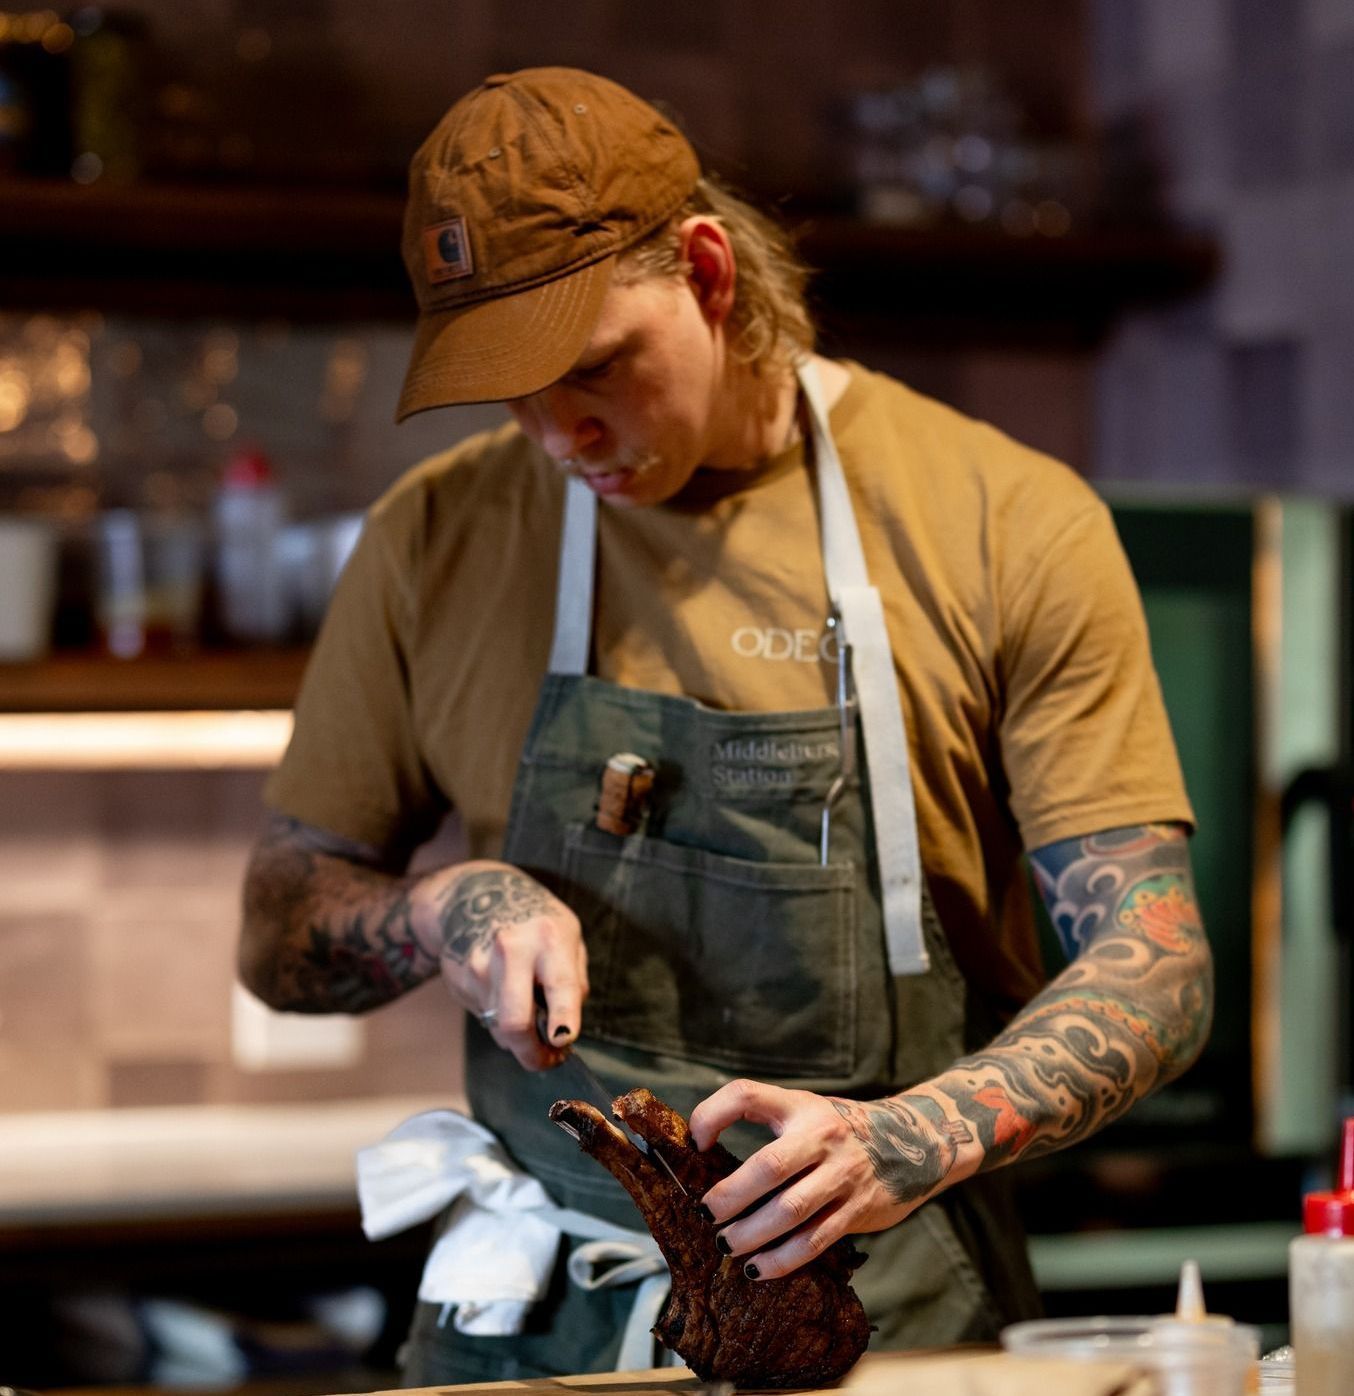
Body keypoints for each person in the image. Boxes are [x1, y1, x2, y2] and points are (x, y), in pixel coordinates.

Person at [237, 66, 1213, 1384]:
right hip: (537, 1330)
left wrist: (909, 1137)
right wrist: (441, 906)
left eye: (588, 368)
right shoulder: (435, 536)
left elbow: (1154, 964)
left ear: (705, 273)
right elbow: (280, 927)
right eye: (504, 391)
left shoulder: (1001, 521)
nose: (554, 430)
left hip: (887, 1329)